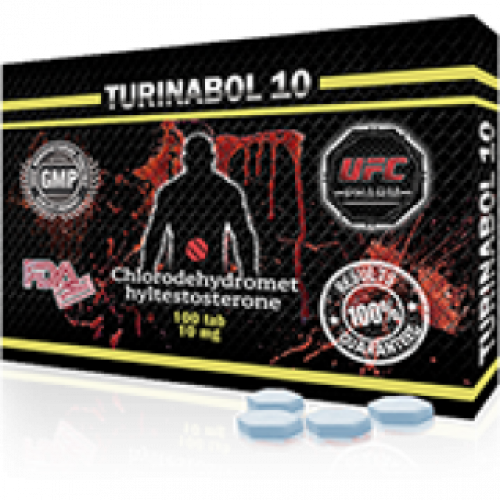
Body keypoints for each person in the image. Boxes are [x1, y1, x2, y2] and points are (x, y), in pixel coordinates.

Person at [141, 132, 259, 276]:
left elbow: (155, 234)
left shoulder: (171, 192)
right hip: (213, 271)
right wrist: (249, 273)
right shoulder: (226, 191)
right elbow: (243, 235)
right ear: (212, 160)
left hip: (181, 271)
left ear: (185, 160)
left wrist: (147, 271)